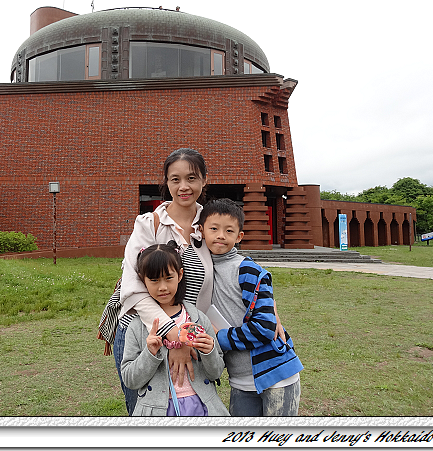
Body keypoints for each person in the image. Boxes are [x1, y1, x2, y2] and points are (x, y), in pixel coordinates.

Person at [114, 147, 214, 415]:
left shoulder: (210, 224)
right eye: (175, 179)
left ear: (204, 180)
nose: (184, 187)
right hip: (141, 333)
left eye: (192, 178)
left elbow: (229, 271)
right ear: (166, 182)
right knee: (146, 414)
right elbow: (133, 288)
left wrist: (268, 301)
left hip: (189, 332)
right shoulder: (149, 224)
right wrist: (172, 336)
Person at [200, 198, 303, 416]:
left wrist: (217, 339)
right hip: (239, 380)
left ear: (239, 237)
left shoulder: (247, 270)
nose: (220, 235)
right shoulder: (201, 269)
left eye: (229, 230)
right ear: (201, 231)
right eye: (214, 228)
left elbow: (265, 328)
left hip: (276, 374)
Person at [120, 243, 229, 416]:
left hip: (201, 407)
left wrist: (209, 352)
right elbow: (130, 380)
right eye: (154, 280)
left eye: (168, 278)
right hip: (157, 411)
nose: (162, 287)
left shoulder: (199, 319)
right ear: (142, 280)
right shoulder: (137, 327)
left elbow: (216, 372)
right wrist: (149, 353)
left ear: (179, 275)